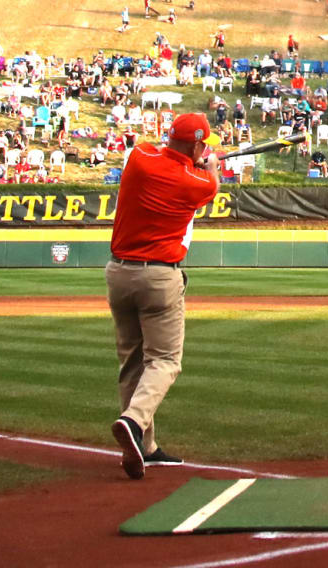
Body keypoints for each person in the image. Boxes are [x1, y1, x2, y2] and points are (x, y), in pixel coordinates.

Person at [105, 112, 221, 479]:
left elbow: (162, 155)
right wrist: (210, 164)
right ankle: (134, 422)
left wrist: (195, 157)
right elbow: (210, 183)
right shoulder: (198, 183)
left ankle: (144, 448)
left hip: (118, 272)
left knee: (132, 363)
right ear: (197, 145)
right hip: (158, 276)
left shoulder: (139, 158)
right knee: (166, 361)